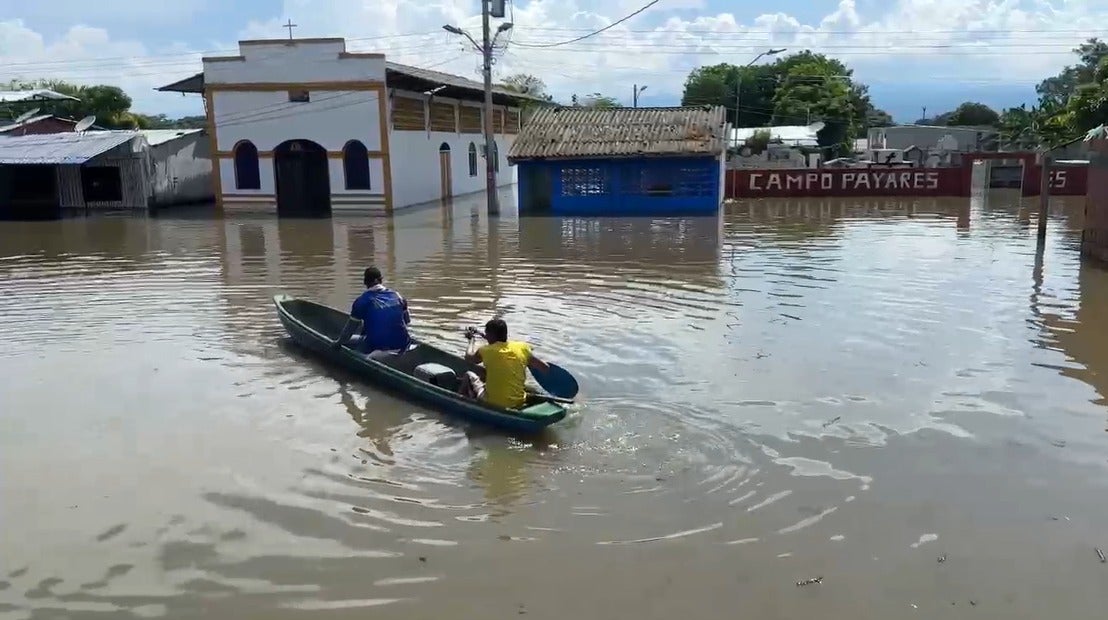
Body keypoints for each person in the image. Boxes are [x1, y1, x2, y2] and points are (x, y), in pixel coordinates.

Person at [460, 318, 549, 410]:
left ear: (490, 335)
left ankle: (462, 403)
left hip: (493, 403)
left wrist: (471, 340)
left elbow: (469, 358)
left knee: (468, 375)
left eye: (487, 334)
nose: (486, 335)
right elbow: (545, 367)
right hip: (519, 402)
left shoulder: (485, 350)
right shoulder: (522, 347)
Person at [341, 266, 411, 357]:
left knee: (352, 343)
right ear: (381, 280)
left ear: (365, 282)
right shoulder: (398, 296)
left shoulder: (362, 301)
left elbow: (349, 330)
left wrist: (337, 344)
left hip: (378, 347)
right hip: (403, 344)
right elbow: (407, 321)